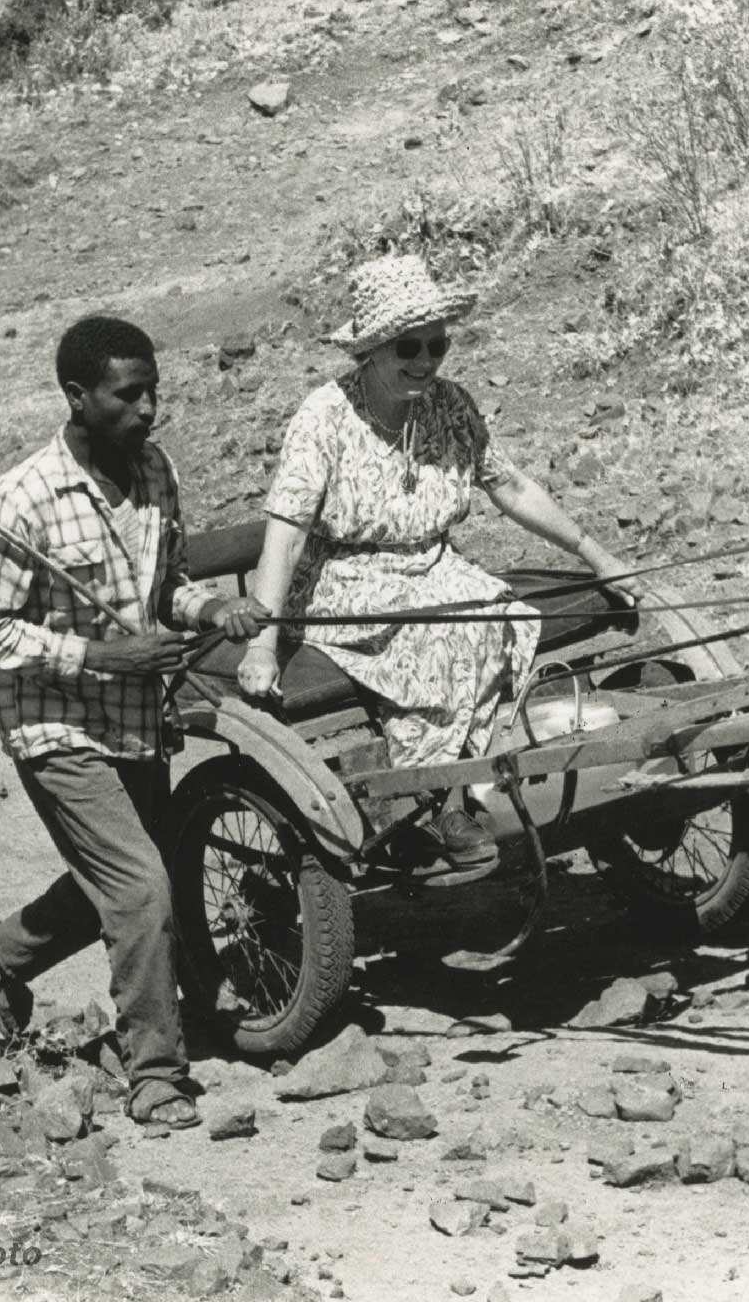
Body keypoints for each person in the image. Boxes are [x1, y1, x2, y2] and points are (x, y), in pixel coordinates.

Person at [0, 315, 268, 1131]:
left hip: (132, 717)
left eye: (153, 390)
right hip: (52, 720)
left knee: (116, 884)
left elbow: (166, 590)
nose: (148, 408)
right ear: (77, 397)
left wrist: (215, 608)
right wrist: (97, 656)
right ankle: (156, 1072)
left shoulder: (156, 472)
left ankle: (1, 952)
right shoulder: (25, 495)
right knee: (140, 886)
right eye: (129, 395)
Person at [239, 254, 637, 870]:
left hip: (432, 566)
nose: (425, 361)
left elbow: (511, 486)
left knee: (500, 616)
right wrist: (262, 645)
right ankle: (428, 799)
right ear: (371, 350)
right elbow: (286, 537)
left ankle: (464, 779)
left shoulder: (449, 406)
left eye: (436, 344)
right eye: (408, 347)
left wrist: (597, 554)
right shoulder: (324, 418)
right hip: (344, 581)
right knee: (444, 634)